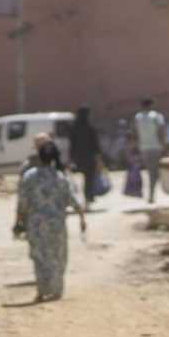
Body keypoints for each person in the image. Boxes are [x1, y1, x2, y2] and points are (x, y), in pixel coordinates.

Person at [15, 142, 86, 303]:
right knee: (58, 256)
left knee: (40, 257)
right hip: (57, 224)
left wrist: (19, 221)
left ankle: (42, 290)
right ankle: (56, 289)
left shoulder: (29, 176)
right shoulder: (61, 177)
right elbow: (73, 200)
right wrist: (82, 218)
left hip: (36, 224)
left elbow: (22, 202)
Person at [133, 98, 167, 203]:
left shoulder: (137, 117)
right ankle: (152, 194)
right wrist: (164, 145)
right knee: (154, 172)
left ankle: (152, 193)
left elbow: (135, 133)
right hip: (156, 147)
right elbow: (161, 131)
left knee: (150, 171)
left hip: (144, 148)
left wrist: (136, 146)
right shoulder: (156, 116)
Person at [69, 105, 102, 209]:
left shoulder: (74, 128)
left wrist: (71, 158)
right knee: (89, 179)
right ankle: (87, 200)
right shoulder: (90, 128)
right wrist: (99, 158)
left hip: (78, 158)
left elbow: (72, 144)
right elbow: (95, 144)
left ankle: (81, 201)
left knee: (79, 179)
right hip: (89, 157)